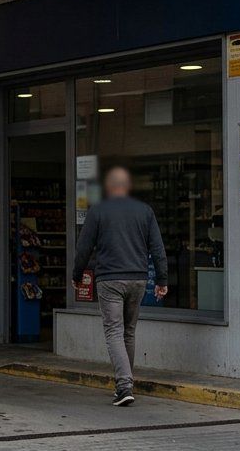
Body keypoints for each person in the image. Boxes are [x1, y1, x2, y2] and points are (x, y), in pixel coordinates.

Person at [71, 166, 168, 407]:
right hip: (137, 279)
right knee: (128, 331)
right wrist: (162, 280)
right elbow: (157, 248)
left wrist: (77, 274)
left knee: (114, 331)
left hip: (110, 280)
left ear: (109, 187)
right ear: (127, 186)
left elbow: (84, 247)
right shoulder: (145, 211)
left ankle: (124, 386)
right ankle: (126, 383)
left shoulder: (98, 211)